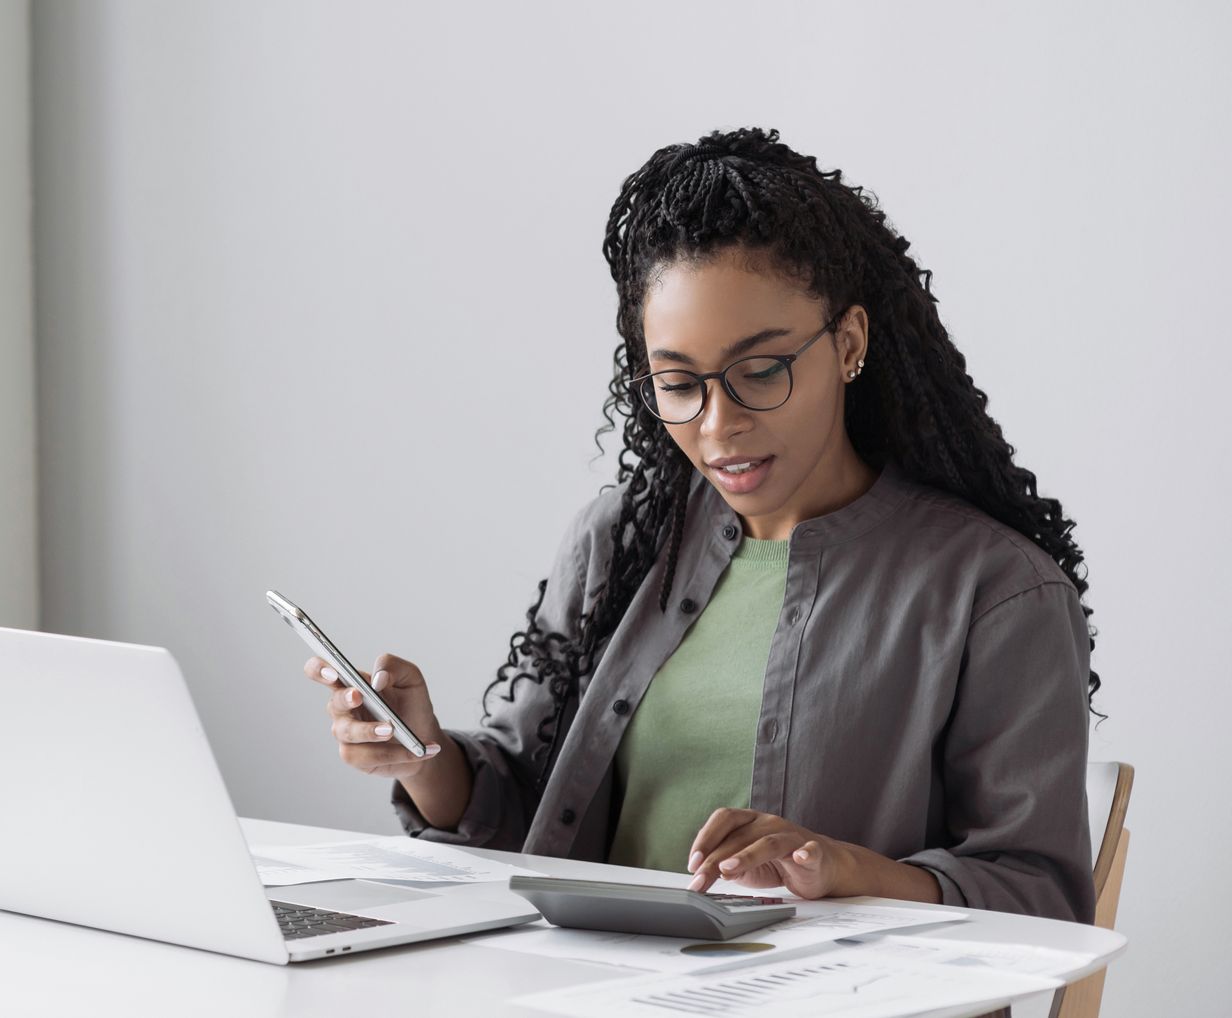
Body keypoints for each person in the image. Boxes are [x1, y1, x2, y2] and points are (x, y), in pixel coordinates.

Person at [301, 126, 1098, 923]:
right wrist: (422, 753)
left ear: (848, 343)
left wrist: (845, 869)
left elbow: (1041, 894)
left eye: (760, 371)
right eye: (678, 383)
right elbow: (533, 811)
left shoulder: (996, 594)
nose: (718, 426)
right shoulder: (623, 540)